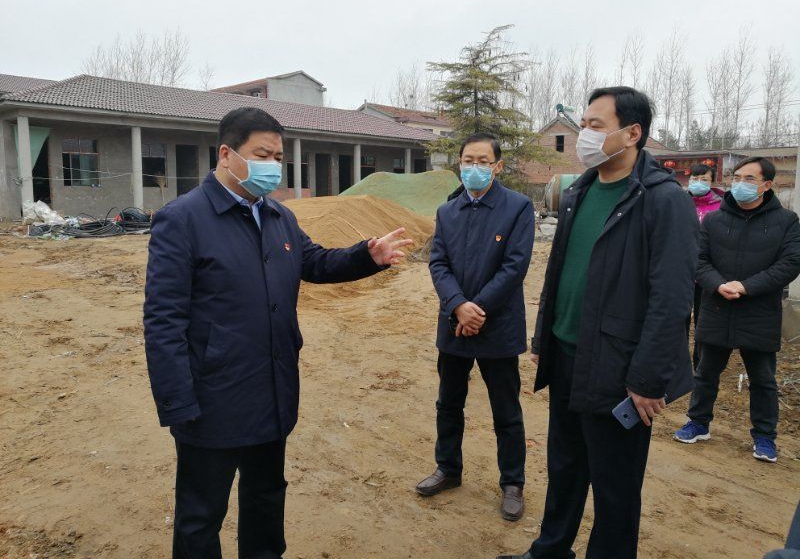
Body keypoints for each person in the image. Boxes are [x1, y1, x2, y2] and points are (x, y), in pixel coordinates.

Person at [143, 107, 412, 558]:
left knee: (266, 498)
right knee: (200, 514)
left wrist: (367, 256)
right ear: (226, 154)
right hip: (211, 398)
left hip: (271, 388)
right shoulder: (183, 219)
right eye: (261, 155)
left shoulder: (278, 216)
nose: (272, 165)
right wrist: (178, 403)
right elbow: (163, 319)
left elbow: (315, 262)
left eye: (277, 157)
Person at [500, 87, 698, 559]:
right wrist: (544, 337)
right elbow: (560, 272)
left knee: (615, 487)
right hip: (569, 354)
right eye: (583, 124)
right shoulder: (579, 191)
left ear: (632, 133)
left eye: (594, 125)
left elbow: (672, 299)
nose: (584, 135)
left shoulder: (662, 200)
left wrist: (647, 378)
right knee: (565, 467)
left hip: (620, 367)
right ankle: (550, 550)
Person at [416, 133, 534, 522]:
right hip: (454, 324)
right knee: (449, 403)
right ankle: (447, 468)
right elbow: (438, 263)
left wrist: (477, 309)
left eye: (483, 161)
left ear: (498, 166)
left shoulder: (517, 207)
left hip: (497, 326)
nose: (475, 168)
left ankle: (512, 483)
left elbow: (514, 266)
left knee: (506, 409)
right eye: (468, 161)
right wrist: (458, 305)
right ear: (459, 164)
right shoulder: (447, 211)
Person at [674, 157, 800, 464]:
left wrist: (746, 286)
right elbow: (698, 260)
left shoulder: (786, 221)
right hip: (717, 306)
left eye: (749, 179)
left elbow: (790, 263)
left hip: (759, 310)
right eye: (737, 177)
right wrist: (718, 284)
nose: (740, 184)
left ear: (767, 185)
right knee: (705, 372)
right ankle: (698, 422)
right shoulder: (715, 220)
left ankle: (765, 436)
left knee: (763, 379)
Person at [686, 163, 725, 368]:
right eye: (695, 178)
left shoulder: (721, 205)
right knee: (678, 318)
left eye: (704, 179)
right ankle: (677, 361)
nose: (698, 183)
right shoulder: (679, 202)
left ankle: (700, 363)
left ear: (712, 182)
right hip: (681, 270)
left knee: (703, 319)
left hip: (707, 271)